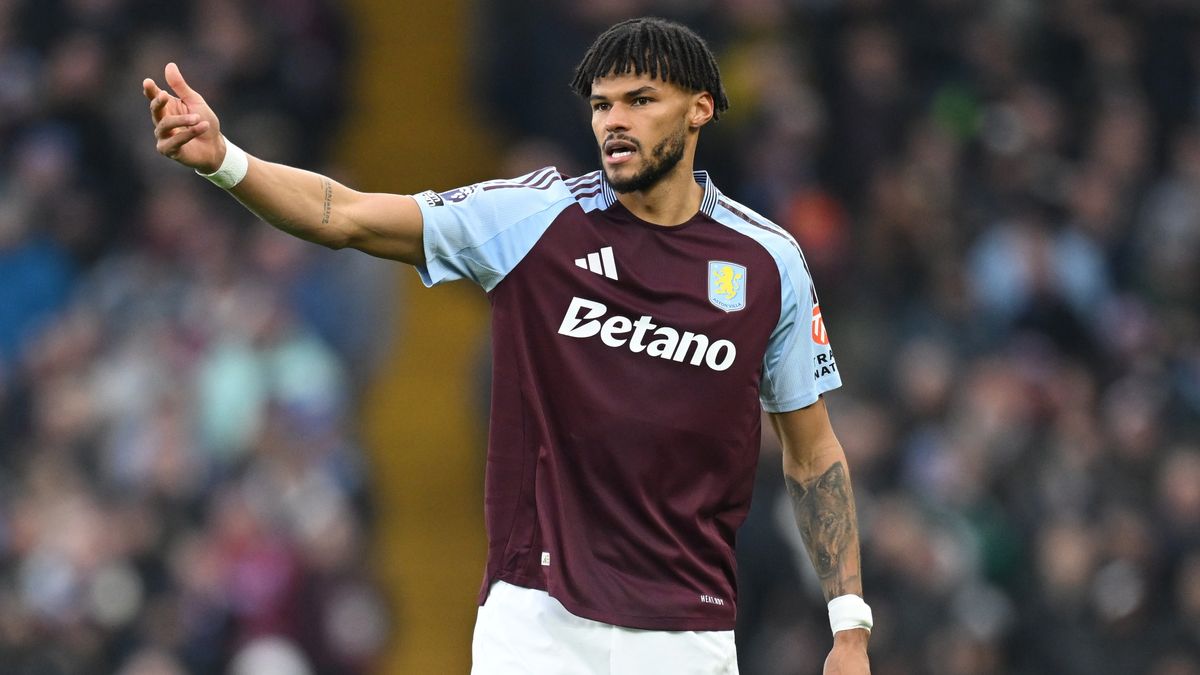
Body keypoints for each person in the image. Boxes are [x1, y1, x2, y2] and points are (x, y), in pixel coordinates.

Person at [143, 17, 872, 675]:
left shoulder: (766, 262)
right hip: (538, 619)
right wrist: (225, 160)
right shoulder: (534, 220)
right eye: (601, 105)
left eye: (640, 101)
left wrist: (848, 627)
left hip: (685, 632)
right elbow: (348, 217)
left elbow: (811, 451)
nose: (614, 122)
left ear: (700, 109)